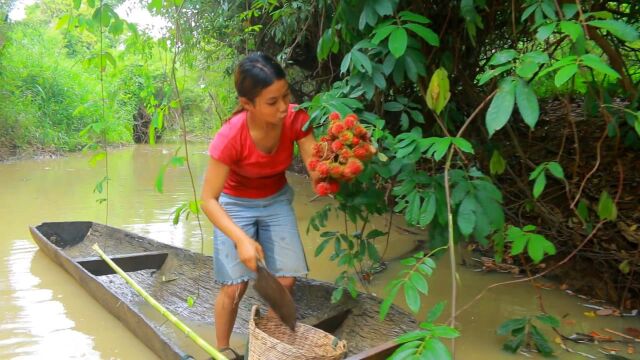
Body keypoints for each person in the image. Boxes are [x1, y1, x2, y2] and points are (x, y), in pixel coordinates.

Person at [200, 52, 317, 358]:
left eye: (286, 96)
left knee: (286, 280)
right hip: (234, 205)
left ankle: (269, 344)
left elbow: (319, 172)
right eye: (272, 101)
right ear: (247, 104)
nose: (283, 108)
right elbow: (208, 200)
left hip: (275, 200)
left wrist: (339, 166)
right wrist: (241, 239)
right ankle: (223, 349)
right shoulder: (230, 136)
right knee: (234, 286)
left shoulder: (296, 118)